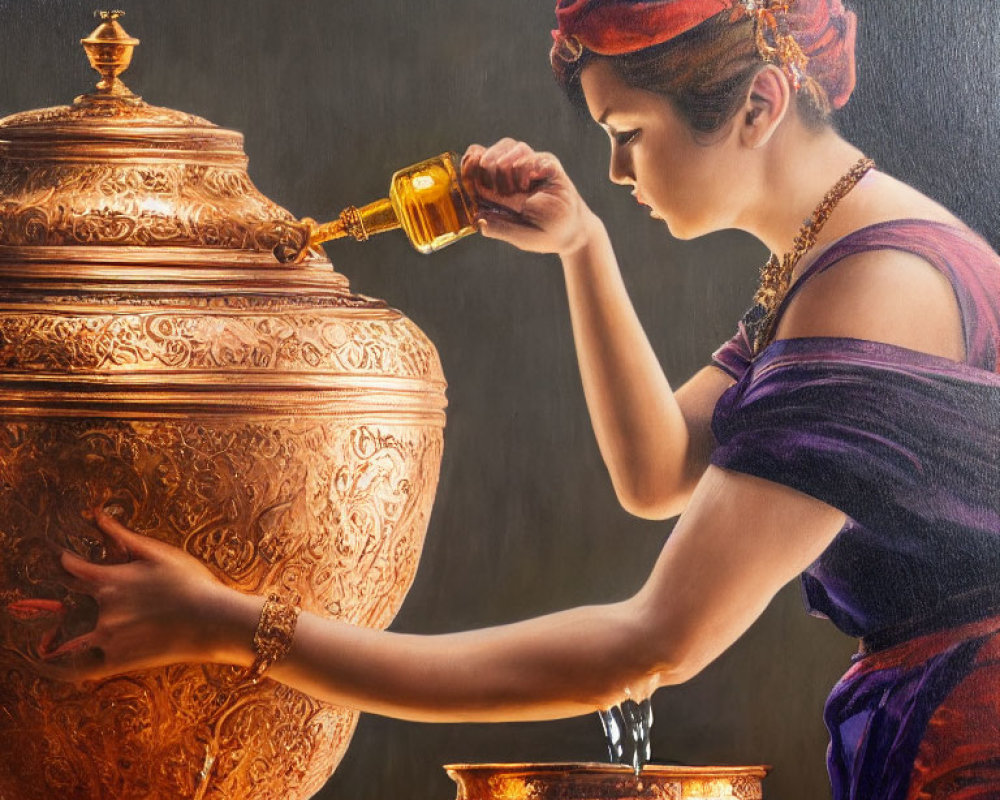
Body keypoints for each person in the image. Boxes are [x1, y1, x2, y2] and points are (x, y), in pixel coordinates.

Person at [9, 1, 1000, 797]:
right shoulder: (831, 261)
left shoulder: (877, 287)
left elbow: (646, 645)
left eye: (628, 134)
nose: (616, 171)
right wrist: (580, 247)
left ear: (757, 105)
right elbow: (657, 472)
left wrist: (232, 627)